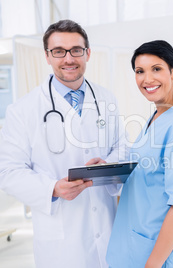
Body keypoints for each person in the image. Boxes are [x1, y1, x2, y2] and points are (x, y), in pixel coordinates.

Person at [0, 20, 125, 268]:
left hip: (108, 229)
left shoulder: (106, 98)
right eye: (59, 51)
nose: (68, 58)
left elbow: (123, 145)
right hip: (61, 242)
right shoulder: (23, 110)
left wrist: (108, 165)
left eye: (76, 50)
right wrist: (52, 189)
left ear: (88, 53)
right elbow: (8, 172)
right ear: (47, 56)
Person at [106, 40, 173, 268]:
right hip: (137, 240)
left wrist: (152, 265)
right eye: (140, 71)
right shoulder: (157, 117)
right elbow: (146, 171)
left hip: (158, 257)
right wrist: (107, 168)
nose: (147, 79)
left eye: (156, 69)